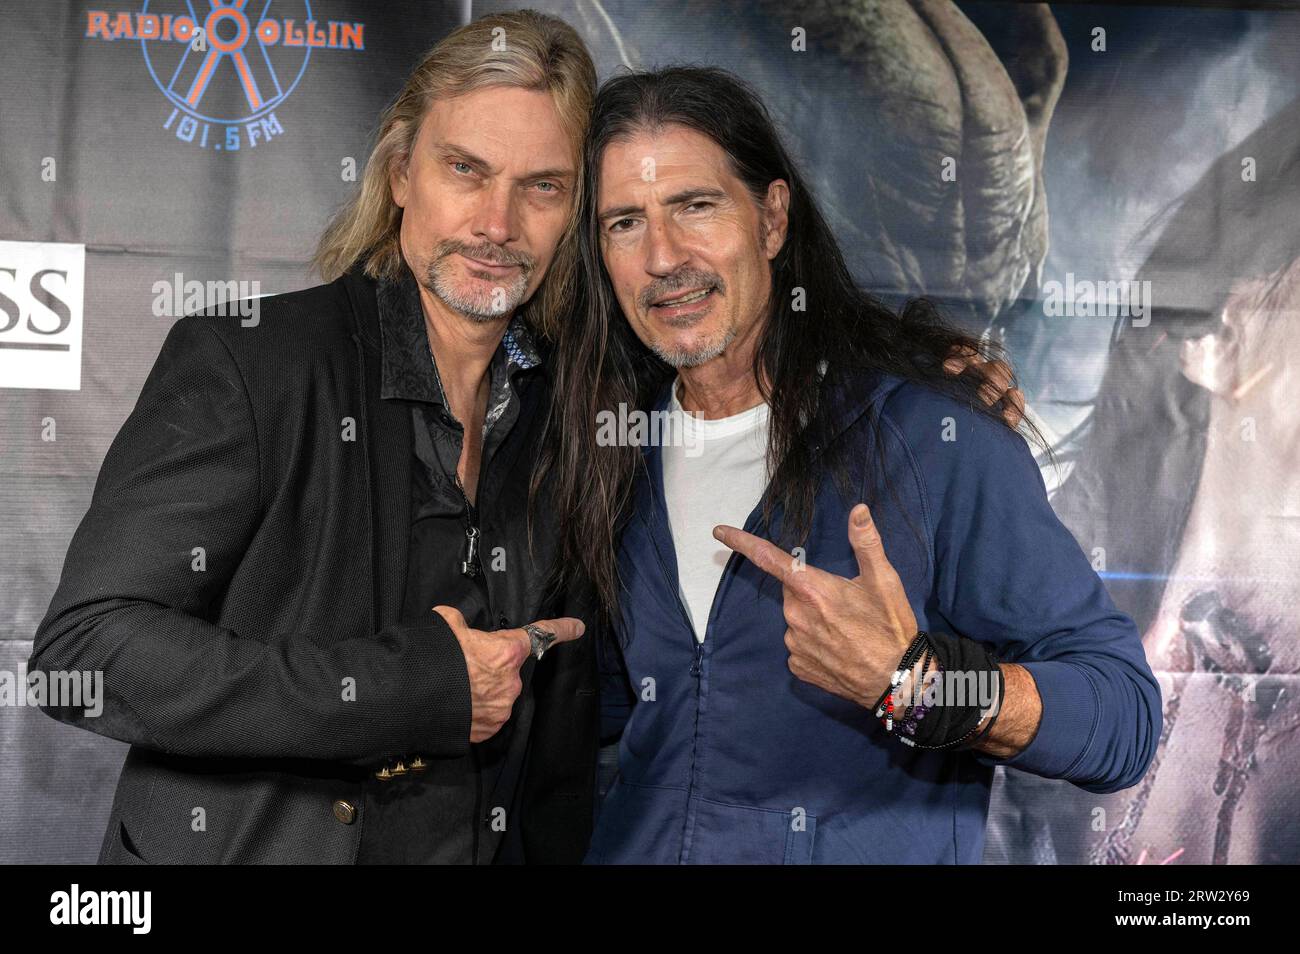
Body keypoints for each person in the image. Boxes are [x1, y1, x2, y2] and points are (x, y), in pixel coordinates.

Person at [537, 66, 1161, 864]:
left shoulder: (932, 436)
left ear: (771, 219)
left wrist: (920, 684)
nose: (663, 256)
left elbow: (1125, 715)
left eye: (695, 206)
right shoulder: (609, 449)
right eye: (624, 222)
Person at [28, 10, 598, 865]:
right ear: (402, 172)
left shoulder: (563, 413)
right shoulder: (255, 360)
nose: (497, 222)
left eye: (542, 187)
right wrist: (413, 687)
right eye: (464, 169)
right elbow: (87, 651)